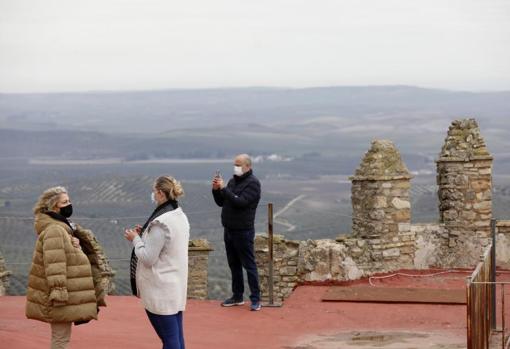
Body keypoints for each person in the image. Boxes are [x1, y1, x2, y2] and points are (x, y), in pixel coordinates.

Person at [26, 186, 110, 349]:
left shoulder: (61, 228)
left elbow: (64, 255)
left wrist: (76, 245)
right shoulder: (55, 230)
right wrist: (58, 292)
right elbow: (54, 263)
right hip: (60, 298)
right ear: (54, 206)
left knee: (61, 338)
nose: (69, 204)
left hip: (63, 295)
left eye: (69, 200)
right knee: (60, 340)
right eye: (65, 202)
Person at [125, 176, 190, 349]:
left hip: (160, 290)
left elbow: (147, 258)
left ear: (160, 193)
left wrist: (135, 239)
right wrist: (145, 235)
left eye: (154, 191)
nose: (153, 195)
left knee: (170, 341)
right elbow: (165, 246)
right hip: (175, 288)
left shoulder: (161, 223)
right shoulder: (179, 215)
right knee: (177, 338)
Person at [212, 153, 262, 311]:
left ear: (248, 166)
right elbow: (222, 202)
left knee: (249, 265)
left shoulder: (253, 184)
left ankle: (256, 299)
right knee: (234, 265)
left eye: (239, 165)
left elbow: (241, 202)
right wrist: (216, 190)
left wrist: (224, 189)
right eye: (235, 164)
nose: (236, 167)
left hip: (243, 231)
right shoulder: (233, 181)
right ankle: (237, 296)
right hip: (229, 229)